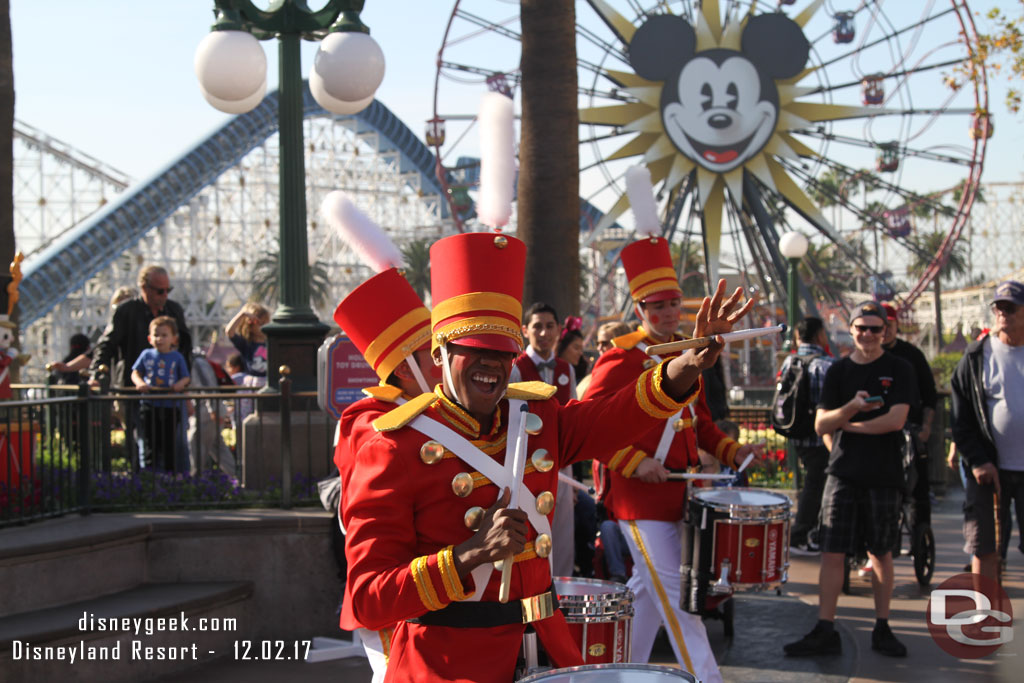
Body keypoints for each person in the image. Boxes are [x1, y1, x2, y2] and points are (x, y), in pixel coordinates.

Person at [341, 232, 754, 683]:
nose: (493, 366)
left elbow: (615, 416)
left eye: (503, 353)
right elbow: (367, 597)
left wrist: (689, 361)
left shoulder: (537, 419)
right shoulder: (390, 450)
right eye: (475, 352)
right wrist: (468, 554)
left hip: (548, 653)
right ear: (440, 353)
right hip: (449, 664)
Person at [584, 235, 762, 683]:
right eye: (656, 305)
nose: (666, 313)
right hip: (639, 499)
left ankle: (619, 676)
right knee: (681, 604)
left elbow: (697, 423)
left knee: (648, 594)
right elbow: (589, 427)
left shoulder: (689, 352)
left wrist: (732, 450)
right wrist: (634, 461)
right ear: (639, 308)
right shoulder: (621, 358)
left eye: (674, 304)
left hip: (678, 492)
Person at [785, 301, 913, 659]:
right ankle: (825, 627)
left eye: (875, 328)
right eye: (861, 328)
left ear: (885, 331)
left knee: (881, 551)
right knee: (832, 551)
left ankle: (883, 626)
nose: (868, 335)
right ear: (851, 330)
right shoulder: (838, 371)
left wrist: (849, 427)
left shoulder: (899, 368)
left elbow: (896, 420)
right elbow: (822, 424)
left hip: (884, 474)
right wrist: (851, 409)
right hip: (842, 473)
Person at [333, 266, 440, 683]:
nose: (442, 363)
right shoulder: (367, 420)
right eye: (432, 354)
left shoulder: (432, 411)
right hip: (391, 585)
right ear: (404, 369)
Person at [951, 280, 1024, 582]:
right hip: (988, 469)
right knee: (984, 545)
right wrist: (978, 460)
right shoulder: (975, 357)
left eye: (1011, 308)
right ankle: (984, 615)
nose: (1003, 314)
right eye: (999, 308)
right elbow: (961, 416)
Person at [90, 266, 191, 465]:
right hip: (136, 392)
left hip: (170, 394)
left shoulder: (174, 310)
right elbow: (107, 344)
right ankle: (144, 485)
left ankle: (178, 485)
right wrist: (97, 372)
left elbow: (186, 347)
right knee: (143, 442)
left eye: (167, 290)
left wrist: (184, 381)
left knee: (176, 443)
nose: (164, 295)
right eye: (159, 290)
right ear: (144, 287)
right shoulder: (126, 311)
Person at [511, 302, 578, 579]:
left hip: (563, 466)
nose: (544, 333)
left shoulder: (567, 369)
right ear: (525, 331)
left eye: (549, 326)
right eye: (537, 326)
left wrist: (574, 478)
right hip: (528, 467)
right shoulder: (516, 368)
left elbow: (573, 417)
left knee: (563, 539)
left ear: (559, 331)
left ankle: (561, 602)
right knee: (530, 536)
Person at [781, 316, 835, 555]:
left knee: (812, 482)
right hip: (820, 435)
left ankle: (806, 530)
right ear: (820, 335)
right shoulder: (826, 365)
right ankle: (802, 534)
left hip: (796, 432)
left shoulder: (789, 361)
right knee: (817, 483)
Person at [881, 303, 938, 526]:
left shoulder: (911, 356)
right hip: (877, 433)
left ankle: (919, 529)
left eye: (888, 325)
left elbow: (929, 394)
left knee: (918, 486)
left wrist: (925, 428)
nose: (883, 331)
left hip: (909, 430)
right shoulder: (863, 358)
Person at [131, 316, 190, 471]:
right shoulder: (146, 355)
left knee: (169, 443)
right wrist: (140, 383)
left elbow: (186, 377)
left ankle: (170, 476)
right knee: (150, 442)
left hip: (170, 406)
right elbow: (135, 372)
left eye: (164, 335)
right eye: (156, 335)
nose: (160, 339)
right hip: (150, 404)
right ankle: (150, 476)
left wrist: (179, 384)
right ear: (150, 338)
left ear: (174, 339)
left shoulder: (177, 357)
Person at [187, 353, 235, 477]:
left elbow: (209, 386)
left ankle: (195, 481)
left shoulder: (197, 362)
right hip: (208, 410)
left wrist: (213, 408)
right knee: (218, 447)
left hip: (207, 412)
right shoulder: (195, 361)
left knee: (197, 445)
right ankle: (238, 479)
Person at [577, 321, 632, 399]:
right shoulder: (595, 374)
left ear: (620, 342)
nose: (599, 348)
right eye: (598, 343)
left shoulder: (629, 373)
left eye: (604, 343)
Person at [224, 303, 270, 380]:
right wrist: (243, 314)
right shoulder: (246, 343)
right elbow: (229, 332)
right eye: (260, 323)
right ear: (250, 325)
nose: (263, 327)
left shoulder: (271, 341)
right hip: (253, 383)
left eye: (266, 323)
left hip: (269, 381)